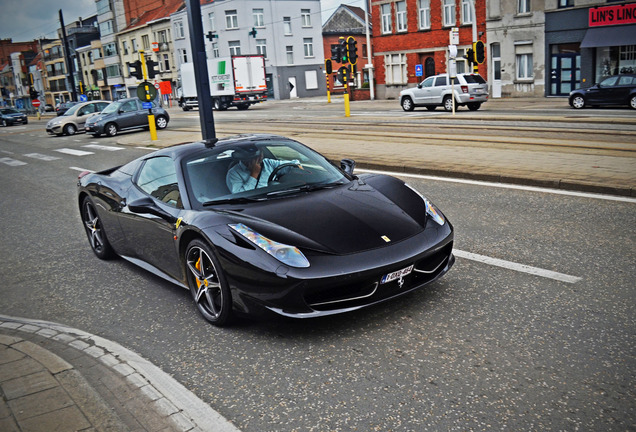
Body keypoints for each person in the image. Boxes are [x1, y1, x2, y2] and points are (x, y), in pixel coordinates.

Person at [226, 145, 300, 193]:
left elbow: (294, 163)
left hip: (276, 196)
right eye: (257, 155)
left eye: (261, 152)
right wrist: (254, 175)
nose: (261, 156)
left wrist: (298, 167)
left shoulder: (267, 163)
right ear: (245, 157)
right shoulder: (234, 173)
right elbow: (240, 195)